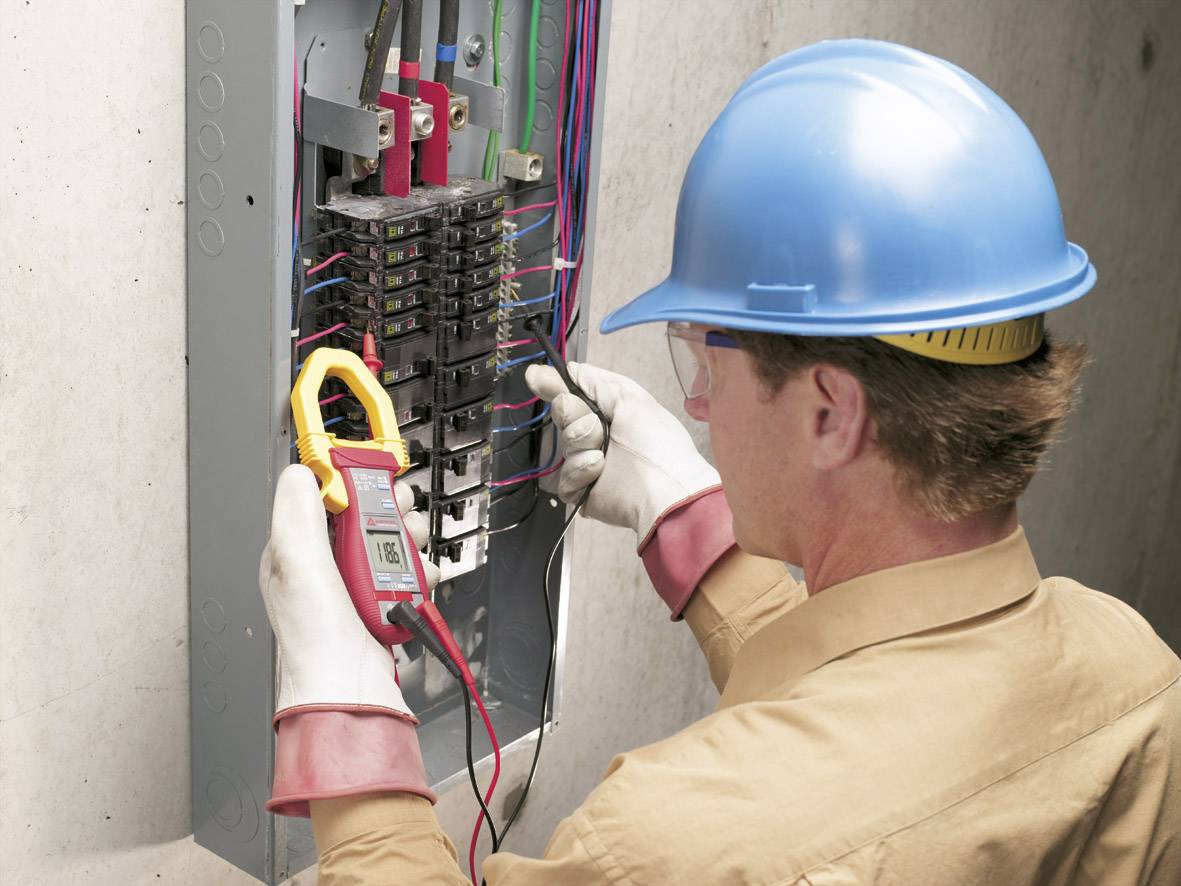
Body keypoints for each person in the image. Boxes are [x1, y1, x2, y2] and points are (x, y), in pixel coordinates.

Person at [258, 40, 1181, 884]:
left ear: (829, 412)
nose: (694, 403)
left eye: (704, 361)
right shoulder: (1132, 672)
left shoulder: (674, 845)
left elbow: (816, 788)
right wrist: (692, 527)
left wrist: (344, 705)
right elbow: (879, 713)